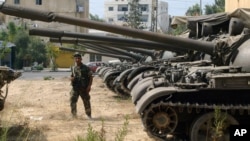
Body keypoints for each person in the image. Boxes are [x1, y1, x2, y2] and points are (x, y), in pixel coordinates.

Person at [70, 52, 93, 119]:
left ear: (81, 59)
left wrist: (89, 86)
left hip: (83, 88)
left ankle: (89, 115)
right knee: (72, 100)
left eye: (78, 58)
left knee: (86, 101)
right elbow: (72, 76)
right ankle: (74, 115)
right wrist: (71, 79)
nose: (77, 59)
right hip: (75, 88)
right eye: (76, 58)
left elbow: (91, 77)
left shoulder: (86, 68)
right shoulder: (74, 68)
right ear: (74, 59)